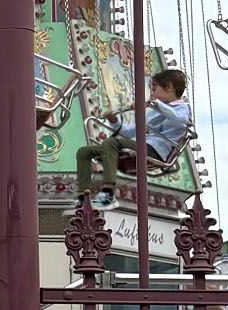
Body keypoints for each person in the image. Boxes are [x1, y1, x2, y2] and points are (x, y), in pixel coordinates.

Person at [75, 68, 191, 209]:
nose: (152, 93)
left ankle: (107, 195)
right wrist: (114, 120)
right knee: (84, 152)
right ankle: (83, 196)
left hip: (155, 150)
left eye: (154, 88)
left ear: (169, 87)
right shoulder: (154, 111)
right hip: (140, 145)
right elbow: (130, 132)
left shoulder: (181, 108)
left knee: (111, 143)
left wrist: (154, 104)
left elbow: (180, 119)